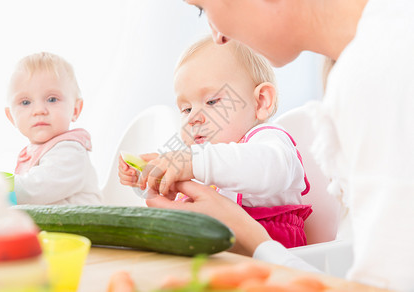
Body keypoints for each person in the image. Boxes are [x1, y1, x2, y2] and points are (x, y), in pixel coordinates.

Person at [146, 0, 414, 291]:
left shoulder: (382, 71)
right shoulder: (379, 48)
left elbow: (383, 286)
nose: (218, 36)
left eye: (201, 8)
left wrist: (251, 237)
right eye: (185, 108)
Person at [119, 36, 312, 248]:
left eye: (211, 101)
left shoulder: (267, 139)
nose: (193, 118)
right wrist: (158, 181)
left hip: (273, 252)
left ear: (261, 101)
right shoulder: (203, 160)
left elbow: (272, 169)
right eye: (186, 109)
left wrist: (192, 163)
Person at [5, 52, 102, 205]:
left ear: (75, 110)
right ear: (11, 117)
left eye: (52, 99)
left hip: (83, 229)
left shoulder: (70, 151)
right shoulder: (35, 151)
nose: (39, 110)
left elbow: (32, 191)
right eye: (25, 102)